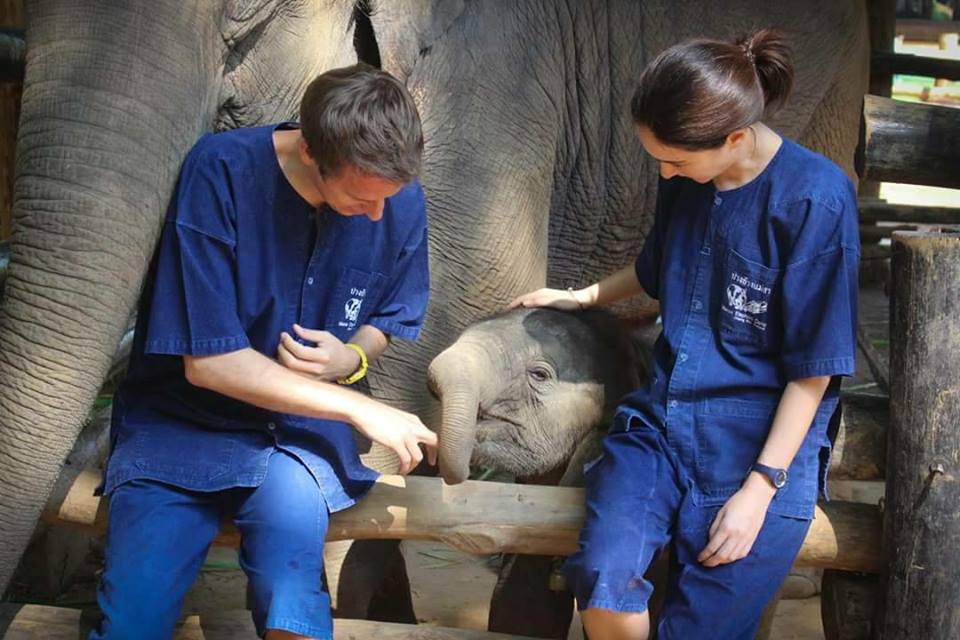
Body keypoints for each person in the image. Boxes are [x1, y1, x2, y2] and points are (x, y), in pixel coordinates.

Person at [511, 30, 859, 639]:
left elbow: (815, 369)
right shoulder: (685, 181)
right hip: (661, 423)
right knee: (602, 573)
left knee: (701, 626)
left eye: (674, 159)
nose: (664, 171)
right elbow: (653, 269)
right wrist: (583, 295)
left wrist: (760, 490)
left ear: (733, 138)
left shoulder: (815, 198)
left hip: (762, 444)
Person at [92, 63, 437, 640]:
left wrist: (351, 359)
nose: (378, 215)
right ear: (309, 151)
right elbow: (211, 362)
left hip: (295, 440)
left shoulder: (397, 198)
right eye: (359, 198)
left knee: (293, 606)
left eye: (389, 199)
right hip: (178, 429)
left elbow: (387, 316)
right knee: (132, 620)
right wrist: (358, 406)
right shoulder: (220, 170)